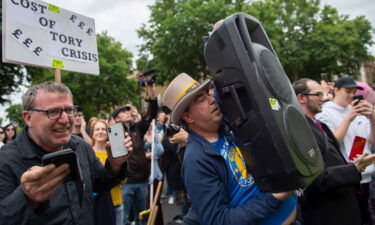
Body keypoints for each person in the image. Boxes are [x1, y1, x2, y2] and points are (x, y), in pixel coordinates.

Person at [162, 73, 297, 225]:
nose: (211, 99)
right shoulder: (196, 161)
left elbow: (227, 74)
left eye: (208, 93)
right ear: (188, 117)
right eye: (201, 99)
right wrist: (274, 198)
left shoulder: (223, 128)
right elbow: (218, 220)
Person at [0, 81, 133, 224]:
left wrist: (115, 166)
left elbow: (100, 184)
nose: (65, 120)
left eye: (69, 110)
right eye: (53, 112)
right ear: (28, 118)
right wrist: (26, 198)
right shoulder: (5, 160)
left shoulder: (81, 146)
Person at [293, 78, 375, 225]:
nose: (323, 98)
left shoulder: (320, 124)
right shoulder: (300, 129)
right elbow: (316, 178)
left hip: (348, 193)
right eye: (318, 94)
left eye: (323, 93)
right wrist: (353, 168)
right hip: (328, 209)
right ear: (301, 98)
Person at [112, 82, 158, 225]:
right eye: (124, 111)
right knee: (124, 219)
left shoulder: (136, 129)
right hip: (126, 183)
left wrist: (151, 93)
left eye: (128, 110)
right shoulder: (115, 134)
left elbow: (151, 114)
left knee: (142, 217)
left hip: (142, 181)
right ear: (117, 118)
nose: (128, 112)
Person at [91, 119, 124, 225]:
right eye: (97, 129)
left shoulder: (114, 153)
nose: (100, 131)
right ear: (92, 134)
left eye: (103, 129)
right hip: (96, 205)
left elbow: (123, 180)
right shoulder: (88, 154)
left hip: (116, 201)